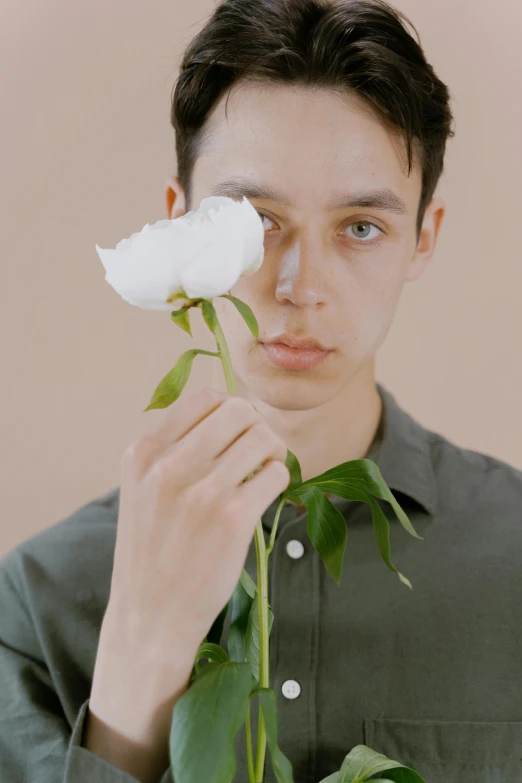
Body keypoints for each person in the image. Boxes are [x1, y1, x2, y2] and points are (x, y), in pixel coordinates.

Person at [1, 0, 521, 782]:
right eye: (253, 218)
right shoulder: (37, 597)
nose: (298, 285)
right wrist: (142, 651)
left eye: (360, 228)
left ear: (424, 237)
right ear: (178, 220)